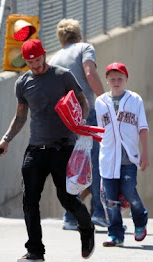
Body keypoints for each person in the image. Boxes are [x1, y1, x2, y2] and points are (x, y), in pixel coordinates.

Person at [0, 39, 95, 262]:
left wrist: (81, 120)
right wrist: (6, 139)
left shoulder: (63, 75)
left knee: (67, 198)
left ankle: (86, 228)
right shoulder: (23, 83)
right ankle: (35, 251)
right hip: (36, 149)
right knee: (29, 199)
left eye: (38, 61)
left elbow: (83, 102)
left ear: (44, 55)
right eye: (30, 62)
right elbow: (20, 116)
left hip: (63, 147)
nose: (35, 66)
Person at [50, 18, 108, 230]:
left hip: (65, 118)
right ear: (79, 34)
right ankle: (99, 214)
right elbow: (90, 73)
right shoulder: (85, 48)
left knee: (73, 165)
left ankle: (70, 216)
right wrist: (104, 99)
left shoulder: (55, 57)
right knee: (94, 162)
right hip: (86, 114)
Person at [95, 62, 149, 247]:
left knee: (129, 192)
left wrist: (145, 153)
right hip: (108, 158)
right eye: (112, 79)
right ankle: (115, 234)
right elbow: (100, 130)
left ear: (126, 80)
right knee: (110, 200)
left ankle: (140, 220)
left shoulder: (135, 100)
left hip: (129, 158)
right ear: (107, 80)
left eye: (120, 78)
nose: (116, 82)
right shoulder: (101, 102)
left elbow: (142, 128)